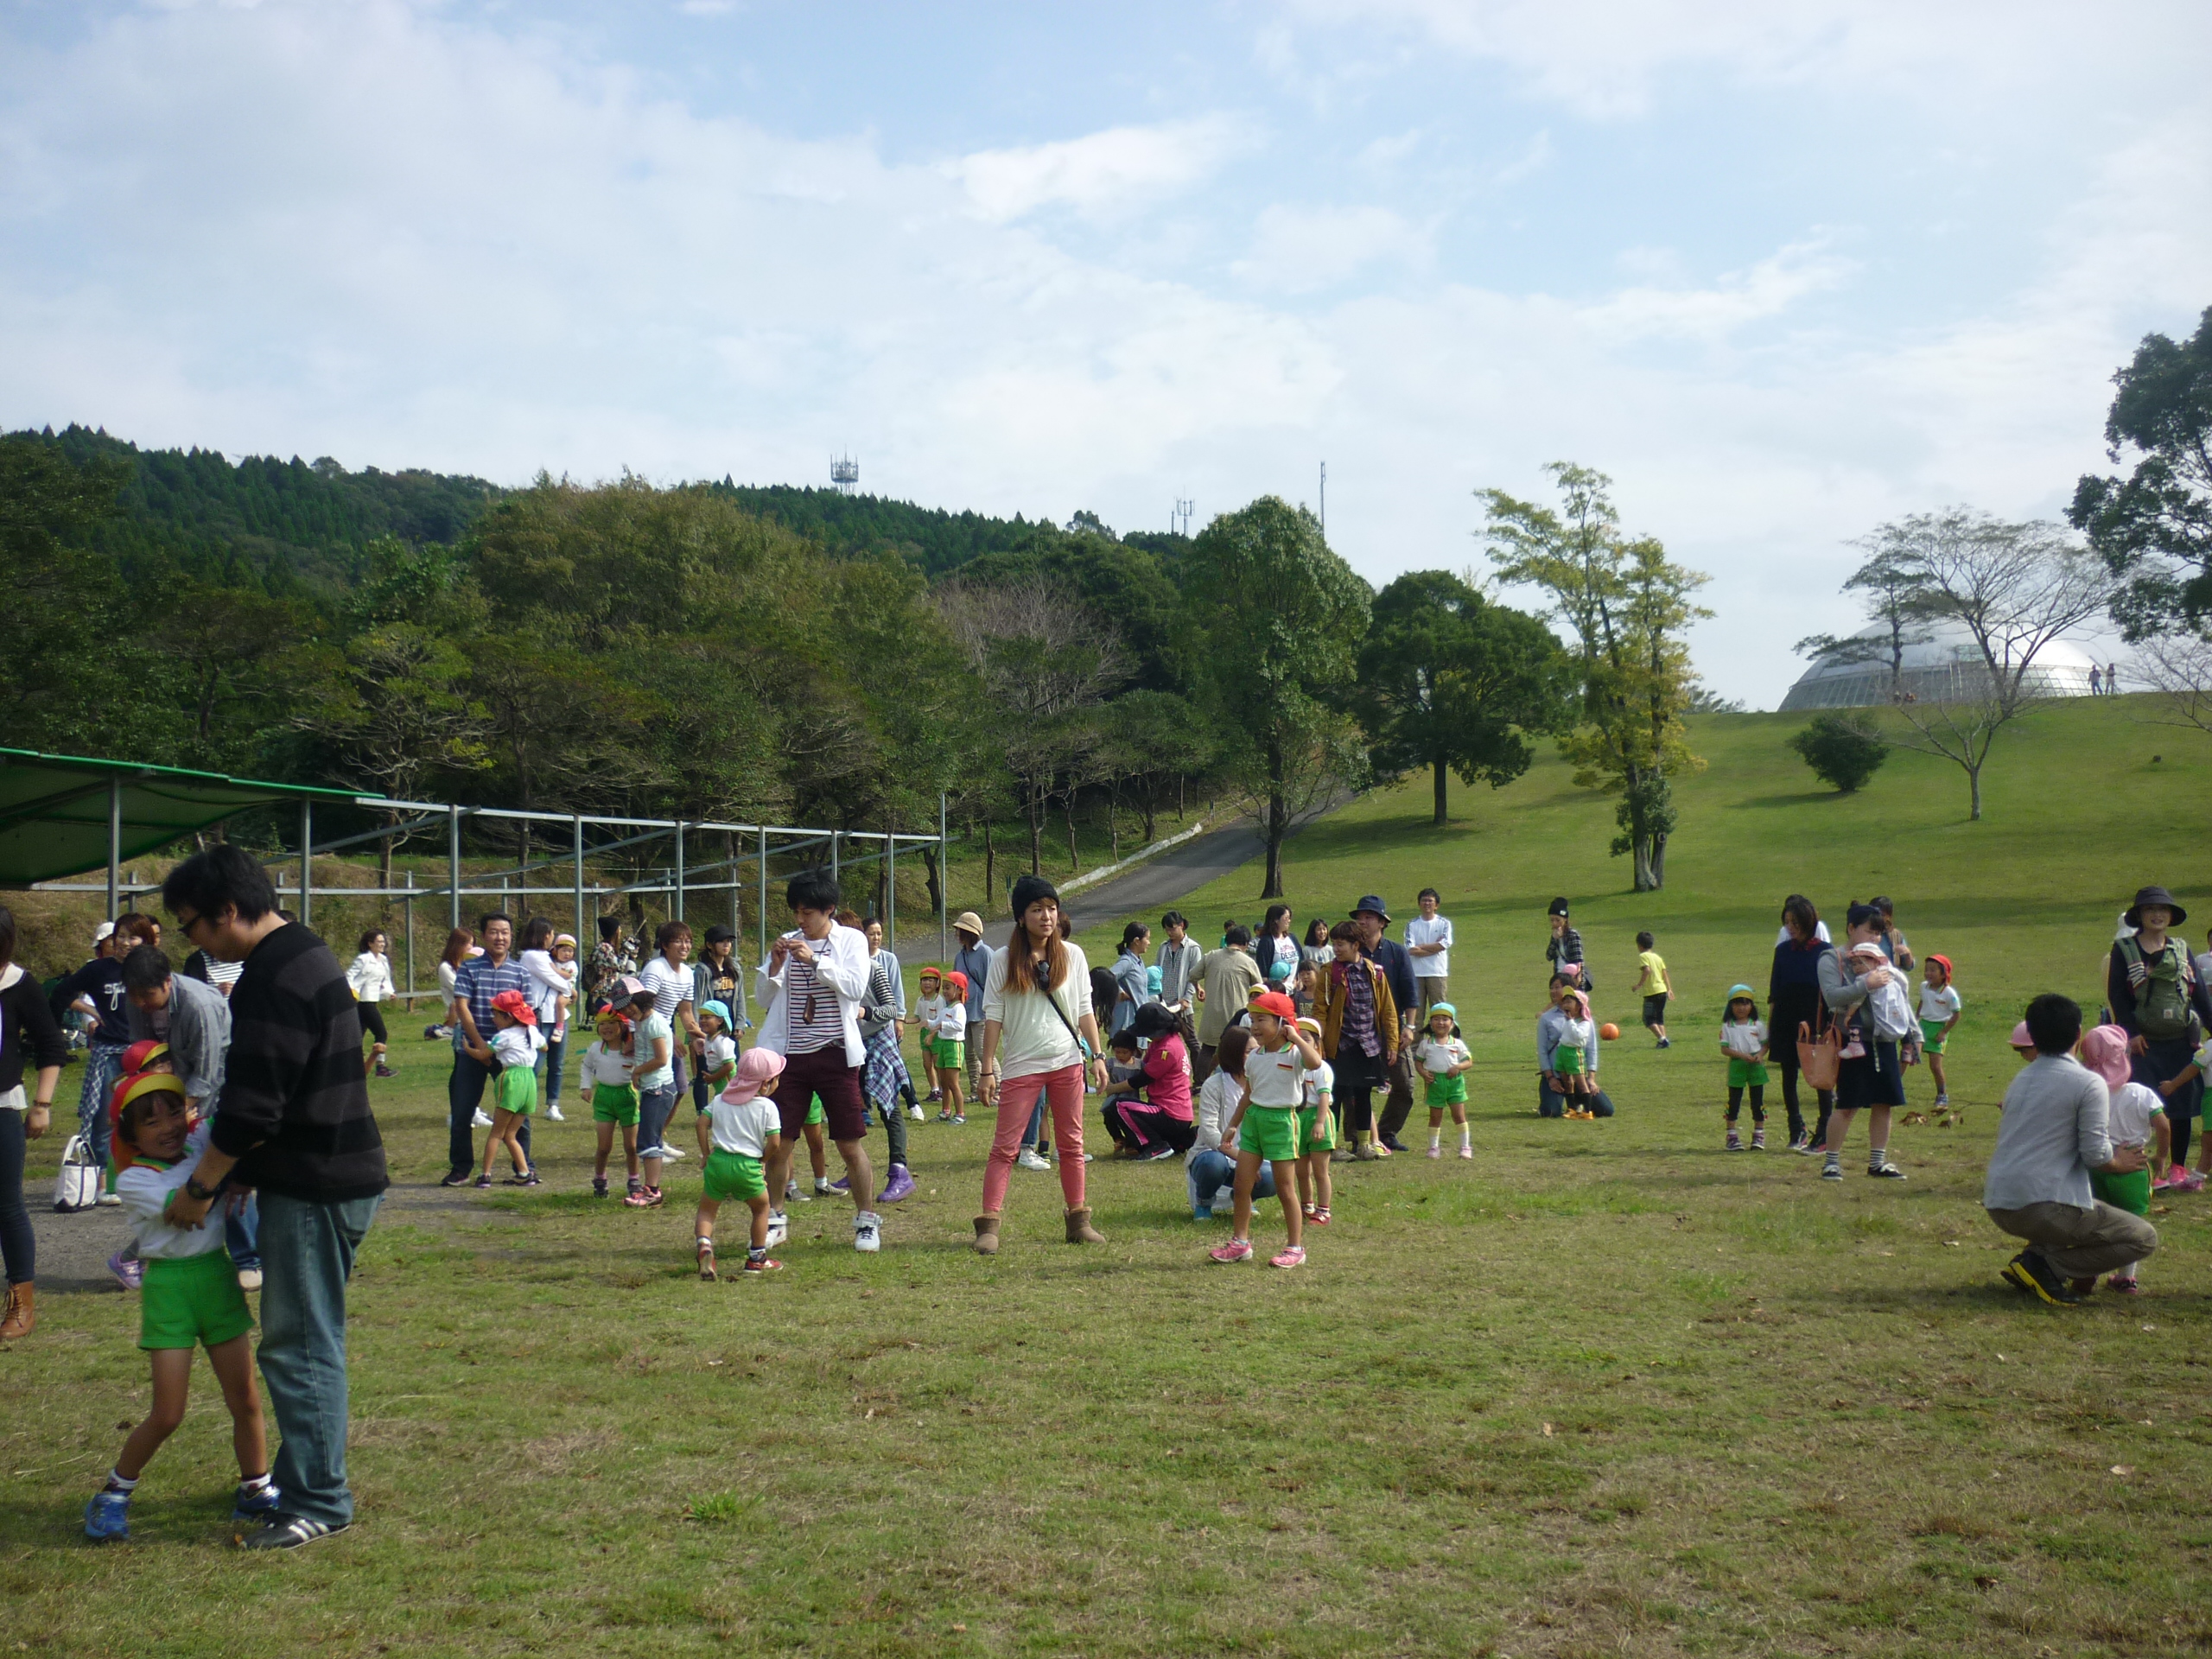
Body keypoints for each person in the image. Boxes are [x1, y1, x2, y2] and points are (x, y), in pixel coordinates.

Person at [160, 842, 388, 1548]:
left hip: (316, 1184)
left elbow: (255, 1105)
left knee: (300, 1344)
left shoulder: (273, 974)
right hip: (327, 1174)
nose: (193, 941)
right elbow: (287, 1090)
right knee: (307, 1337)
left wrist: (202, 1185)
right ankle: (301, 1479)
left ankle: (319, 1501)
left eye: (192, 925)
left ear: (228, 910)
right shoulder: (303, 951)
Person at [82, 1071, 276, 1543]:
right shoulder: (134, 1179)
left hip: (217, 1279)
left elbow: (240, 1119)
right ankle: (113, 1494)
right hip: (169, 1290)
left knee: (246, 1400)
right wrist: (227, 1173)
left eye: (174, 1112)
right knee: (168, 1414)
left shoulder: (199, 1143)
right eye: (151, 1122)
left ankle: (255, 1487)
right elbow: (188, 1207)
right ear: (131, 1135)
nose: (168, 1126)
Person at [1986, 993, 2158, 1305]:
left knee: (2080, 1210)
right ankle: (2047, 1267)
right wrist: (2119, 1163)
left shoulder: (2021, 1079)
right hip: (2042, 1206)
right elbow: (2096, 1155)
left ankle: (2034, 1258)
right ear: (2079, 1033)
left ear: (2032, 1036)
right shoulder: (2088, 1083)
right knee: (2143, 1237)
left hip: (1999, 1201)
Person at [971, 874, 1109, 1255]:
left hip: (1067, 1060)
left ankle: (1079, 1220)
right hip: (1022, 1065)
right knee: (1005, 1147)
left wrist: (1098, 1056)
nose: (1046, 916)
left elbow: (1084, 1010)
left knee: (1072, 1143)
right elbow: (993, 1015)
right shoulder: (1003, 959)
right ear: (1021, 917)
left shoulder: (1073, 955)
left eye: (1051, 908)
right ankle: (989, 1224)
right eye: (1036, 909)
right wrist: (987, 1069)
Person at [754, 871, 884, 1254]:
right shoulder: (788, 942)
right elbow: (763, 999)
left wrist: (814, 961)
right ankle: (775, 1218)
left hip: (836, 1056)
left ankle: (866, 1221)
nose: (800, 920)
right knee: (780, 1144)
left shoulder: (852, 940)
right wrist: (775, 966)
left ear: (829, 910)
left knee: (849, 1143)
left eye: (807, 912)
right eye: (796, 912)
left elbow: (855, 987)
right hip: (789, 1058)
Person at [124, 941, 255, 1292]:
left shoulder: (200, 1004)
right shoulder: (136, 1001)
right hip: (174, 1099)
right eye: (134, 996)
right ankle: (145, 1254)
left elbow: (208, 1075)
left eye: (147, 995)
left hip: (215, 1093)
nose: (140, 1003)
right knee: (178, 1175)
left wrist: (183, 1115)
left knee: (221, 1167)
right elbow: (143, 1055)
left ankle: (249, 1259)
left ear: (167, 982)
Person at [1208, 991, 1324, 1268]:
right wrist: (1233, 1125)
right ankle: (1240, 1243)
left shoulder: (1294, 1053)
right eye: (1252, 1020)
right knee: (1242, 1184)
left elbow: (1315, 1063)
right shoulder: (1255, 1057)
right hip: (1254, 1122)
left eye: (1262, 1020)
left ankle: (1295, 1247)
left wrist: (1296, 1038)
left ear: (1281, 1023)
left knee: (1285, 1188)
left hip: (1282, 1122)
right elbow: (1249, 1094)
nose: (1255, 1026)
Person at [2107, 887, 2212, 1191]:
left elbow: (2199, 995)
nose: (2157, 915)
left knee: (2180, 1107)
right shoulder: (2124, 949)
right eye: (2150, 909)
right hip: (2144, 1043)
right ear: (2140, 915)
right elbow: (2117, 994)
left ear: (2170, 916)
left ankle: (2177, 1167)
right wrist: (2131, 1033)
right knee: (2141, 1104)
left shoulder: (2181, 948)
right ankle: (2139, 1166)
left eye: (2162, 910)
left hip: (2180, 1040)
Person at [0, 905, 65, 1340]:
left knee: (7, 1205)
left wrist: (42, 1103)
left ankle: (21, 1303)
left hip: (2, 1107)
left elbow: (50, 1045)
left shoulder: (21, 985)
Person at [1816, 903, 1910, 1182]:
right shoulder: (1832, 958)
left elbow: (1896, 997)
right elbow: (1832, 997)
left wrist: (1909, 1037)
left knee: (1884, 1103)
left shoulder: (1879, 957)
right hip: (1851, 1042)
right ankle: (1831, 1162)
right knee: (1848, 1105)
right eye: (1870, 932)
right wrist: (1866, 984)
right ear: (1851, 929)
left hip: (1884, 1038)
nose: (1875, 939)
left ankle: (1877, 1162)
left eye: (1879, 934)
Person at [50, 914, 141, 1197]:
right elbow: (61, 993)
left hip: (143, 1053)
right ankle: (101, 1179)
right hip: (109, 1052)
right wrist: (90, 1010)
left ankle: (141, 1176)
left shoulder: (150, 968)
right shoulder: (99, 969)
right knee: (104, 1118)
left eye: (131, 937)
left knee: (144, 1117)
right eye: (120, 936)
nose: (124, 943)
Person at [441, 915, 532, 1186]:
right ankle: (461, 1169)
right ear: (483, 936)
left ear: (511, 936)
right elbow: (462, 1006)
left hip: (509, 1055)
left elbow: (527, 1014)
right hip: (472, 1050)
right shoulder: (468, 968)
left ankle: (524, 1168)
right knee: (462, 1110)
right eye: (493, 932)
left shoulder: (521, 972)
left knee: (518, 1112)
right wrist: (481, 1045)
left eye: (505, 932)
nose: (500, 937)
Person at [2081, 1025, 2165, 1295]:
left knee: (2095, 1220)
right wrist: (2162, 1155)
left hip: (2097, 1164)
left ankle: (2088, 1269)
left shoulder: (2089, 1094)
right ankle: (2126, 1278)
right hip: (2134, 1166)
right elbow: (2163, 1125)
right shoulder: (2142, 1093)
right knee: (2132, 1226)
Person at [1309, 918, 1399, 1160]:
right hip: (1339, 1046)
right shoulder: (1329, 972)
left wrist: (1392, 1043)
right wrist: (1318, 1042)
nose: (1336, 949)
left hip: (1368, 1045)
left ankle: (1364, 1145)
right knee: (1335, 1094)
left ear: (1356, 945)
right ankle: (1331, 1145)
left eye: (1341, 944)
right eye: (1335, 944)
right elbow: (1320, 1010)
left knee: (1363, 1095)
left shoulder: (1375, 972)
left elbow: (1388, 1011)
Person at [695, 1046, 786, 1278]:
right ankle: (757, 1259)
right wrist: (763, 1160)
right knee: (761, 1208)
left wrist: (705, 1153)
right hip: (748, 1166)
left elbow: (701, 1124)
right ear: (765, 1084)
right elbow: (775, 1143)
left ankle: (705, 1245)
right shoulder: (768, 1107)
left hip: (718, 1163)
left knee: (707, 1210)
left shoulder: (720, 1100)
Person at [851, 922, 917, 1206]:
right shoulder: (835, 972)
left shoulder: (874, 968)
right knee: (852, 1106)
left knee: (889, 1106)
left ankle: (900, 1173)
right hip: (851, 1043)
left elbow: (890, 1008)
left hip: (879, 1039)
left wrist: (864, 1012)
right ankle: (855, 1169)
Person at [1770, 895, 1835, 1153]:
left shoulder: (1825, 952)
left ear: (1808, 922)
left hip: (1815, 1019)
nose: (1790, 927)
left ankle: (1824, 1130)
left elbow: (1830, 991)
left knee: (1820, 1076)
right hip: (1786, 1018)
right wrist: (1771, 1027)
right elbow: (1775, 991)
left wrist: (1829, 1025)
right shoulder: (1782, 951)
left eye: (1795, 922)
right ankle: (1796, 1129)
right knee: (1788, 1074)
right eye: (1787, 922)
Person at [1355, 897, 1421, 1152]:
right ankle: (1358, 1137)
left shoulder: (1396, 952)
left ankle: (1386, 1132)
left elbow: (1410, 991)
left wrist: (1410, 1027)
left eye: (1369, 917)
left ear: (1382, 922)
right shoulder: (1352, 951)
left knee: (1405, 1084)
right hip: (1357, 1028)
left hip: (1392, 1026)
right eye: (1360, 917)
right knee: (1356, 1085)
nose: (1363, 922)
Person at [1188, 1028, 1273, 1219]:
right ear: (1234, 1054)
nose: (1256, 1055)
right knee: (1213, 1164)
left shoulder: (1263, 1084)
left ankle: (1243, 1198)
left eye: (1258, 1049)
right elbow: (1208, 1130)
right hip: (1215, 1153)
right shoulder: (1214, 1085)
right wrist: (1239, 1156)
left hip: (1251, 1154)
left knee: (1272, 1178)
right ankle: (1204, 1202)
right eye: (1249, 1051)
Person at [1098, 1001, 1195, 1159]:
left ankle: (1155, 1146)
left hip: (1169, 1113)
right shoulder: (1165, 1041)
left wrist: (1112, 1088)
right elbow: (1143, 1066)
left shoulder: (1167, 1050)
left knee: (1119, 1106)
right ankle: (1180, 1140)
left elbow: (1142, 1079)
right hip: (1177, 1113)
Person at [613, 975, 677, 1209]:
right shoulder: (641, 1022)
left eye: (630, 1005)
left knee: (649, 1141)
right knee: (649, 1139)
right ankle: (650, 1188)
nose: (627, 1011)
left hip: (659, 1088)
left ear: (641, 1000)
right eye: (623, 1009)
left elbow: (661, 1059)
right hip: (652, 1088)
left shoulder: (654, 1023)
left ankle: (652, 1191)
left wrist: (637, 1071)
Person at [469, 989, 542, 1188]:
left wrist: (466, 1047)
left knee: (496, 1133)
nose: (493, 1019)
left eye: (495, 1014)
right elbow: (544, 1047)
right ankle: (525, 1172)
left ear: (508, 1017)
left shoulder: (504, 1036)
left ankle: (485, 1175)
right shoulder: (532, 1031)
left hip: (511, 1078)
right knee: (511, 1134)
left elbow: (483, 1054)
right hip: (530, 1081)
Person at [640, 920, 699, 1144]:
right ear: (665, 945)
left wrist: (698, 1036)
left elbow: (686, 1011)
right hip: (649, 1033)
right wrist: (670, 1036)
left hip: (666, 1032)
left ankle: (658, 1138)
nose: (685, 946)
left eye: (688, 941)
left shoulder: (687, 973)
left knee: (680, 1088)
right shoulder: (655, 968)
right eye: (678, 941)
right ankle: (649, 1143)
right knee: (657, 1090)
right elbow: (645, 1007)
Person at [517, 918, 575, 1122]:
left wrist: (568, 989)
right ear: (543, 935)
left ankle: (553, 1104)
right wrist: (570, 990)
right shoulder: (532, 956)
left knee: (557, 1065)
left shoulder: (546, 956)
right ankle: (523, 1102)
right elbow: (559, 982)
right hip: (541, 1016)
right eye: (550, 934)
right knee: (535, 1063)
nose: (552, 937)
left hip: (559, 1015)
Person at [580, 1007, 640, 1199]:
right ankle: (600, 1179)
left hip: (627, 1097)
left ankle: (634, 1180)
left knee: (631, 1146)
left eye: (612, 1023)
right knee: (604, 1146)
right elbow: (586, 1066)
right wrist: (586, 1087)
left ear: (623, 1026)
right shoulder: (596, 1049)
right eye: (602, 1024)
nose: (606, 1028)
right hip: (604, 1098)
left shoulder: (632, 1050)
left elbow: (644, 1066)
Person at [1194, 924, 1262, 1080]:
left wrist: (1198, 988)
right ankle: (1236, 1079)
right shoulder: (1247, 961)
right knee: (1237, 1049)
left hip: (1212, 1013)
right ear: (1245, 944)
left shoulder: (1210, 956)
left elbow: (1192, 975)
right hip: (1236, 1015)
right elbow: (1260, 987)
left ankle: (1199, 1081)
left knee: (1208, 1049)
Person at [1536, 974, 1606, 1119]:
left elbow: (1591, 1048)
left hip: (1577, 1073)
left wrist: (1591, 1078)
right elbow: (1542, 1051)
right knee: (1549, 1112)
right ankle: (1566, 1103)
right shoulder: (1546, 1018)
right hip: (1556, 1075)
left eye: (1557, 987)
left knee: (1606, 1109)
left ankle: (1579, 1103)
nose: (1553, 991)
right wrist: (1550, 1078)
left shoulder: (1585, 1019)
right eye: (1551, 988)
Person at [1412, 1001, 1472, 1159]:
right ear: (1430, 1023)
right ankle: (1433, 1148)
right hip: (1435, 1083)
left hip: (1454, 1083)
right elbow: (1418, 1062)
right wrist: (1424, 1074)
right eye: (1436, 1019)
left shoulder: (1457, 1044)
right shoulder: (1426, 1044)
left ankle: (1465, 1147)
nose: (1441, 1023)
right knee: (1435, 1117)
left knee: (1459, 1116)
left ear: (1452, 1024)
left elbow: (1468, 1061)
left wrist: (1458, 1067)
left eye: (1445, 1019)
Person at [1291, 1016, 1336, 1224]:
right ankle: (1306, 1204)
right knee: (1301, 1170)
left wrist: (1319, 1122)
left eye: (1306, 1039)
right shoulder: (1294, 1066)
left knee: (1320, 1170)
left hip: (1318, 1116)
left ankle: (1324, 1209)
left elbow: (1324, 1096)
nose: (1301, 1044)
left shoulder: (1321, 1068)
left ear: (1317, 1044)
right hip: (1298, 1118)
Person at [1719, 985, 1769, 1151]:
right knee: (1734, 1101)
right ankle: (1732, 1135)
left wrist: (1760, 1055)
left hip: (1755, 1066)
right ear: (1731, 1006)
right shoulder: (1728, 1026)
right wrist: (1741, 1055)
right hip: (1737, 1066)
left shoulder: (1758, 1025)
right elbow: (1724, 1049)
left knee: (1757, 1101)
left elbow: (1765, 1044)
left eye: (1746, 1003)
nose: (1742, 1008)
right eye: (1737, 1004)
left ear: (1752, 1006)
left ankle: (1759, 1134)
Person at [690, 1000, 740, 1162]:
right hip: (720, 1086)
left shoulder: (722, 1042)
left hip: (728, 1085)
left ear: (720, 1020)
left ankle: (724, 1150)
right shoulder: (711, 1039)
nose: (703, 1021)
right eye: (701, 1017)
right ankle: (718, 1149)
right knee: (722, 1120)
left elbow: (729, 1066)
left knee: (724, 1120)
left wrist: (712, 1078)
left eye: (708, 1017)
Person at [952, 912, 994, 1105]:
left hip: (981, 1009)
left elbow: (993, 983)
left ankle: (997, 1088)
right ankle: (976, 1089)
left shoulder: (985, 953)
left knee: (982, 1051)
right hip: (963, 1010)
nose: (956, 934)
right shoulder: (960, 955)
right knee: (968, 1052)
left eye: (959, 930)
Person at [345, 931, 397, 1079]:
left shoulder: (383, 960)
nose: (382, 944)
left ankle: (351, 1067)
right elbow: (349, 976)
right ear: (370, 944)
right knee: (381, 1033)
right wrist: (352, 992)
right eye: (379, 941)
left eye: (383, 941)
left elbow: (385, 981)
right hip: (362, 1002)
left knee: (357, 1036)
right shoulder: (363, 959)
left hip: (373, 1000)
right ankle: (381, 1067)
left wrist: (389, 993)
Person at [1918, 954, 1961, 1109]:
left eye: (1933, 970)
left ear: (1943, 974)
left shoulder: (1949, 993)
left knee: (1935, 1066)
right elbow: (1922, 1002)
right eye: (1926, 970)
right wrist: (1915, 1020)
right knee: (1907, 1057)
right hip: (1922, 1026)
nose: (1928, 973)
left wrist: (1944, 1032)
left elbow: (1956, 1014)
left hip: (1938, 1028)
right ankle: (1892, 1090)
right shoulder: (1924, 986)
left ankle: (1942, 1095)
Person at [1404, 888, 1453, 1015]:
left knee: (1439, 1011)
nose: (1427, 903)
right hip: (1416, 973)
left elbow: (1444, 944)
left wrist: (1422, 947)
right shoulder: (1412, 925)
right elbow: (1411, 949)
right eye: (1424, 900)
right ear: (1419, 904)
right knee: (1416, 1013)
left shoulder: (1444, 923)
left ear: (1436, 905)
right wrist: (1434, 948)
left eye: (1430, 901)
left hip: (1437, 972)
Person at [424, 925, 474, 1043]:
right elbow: (460, 988)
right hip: (459, 1011)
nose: (471, 948)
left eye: (472, 944)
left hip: (471, 1009)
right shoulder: (446, 967)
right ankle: (449, 1030)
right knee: (456, 1004)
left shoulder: (468, 965)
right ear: (458, 945)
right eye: (469, 944)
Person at [1553, 990, 1597, 1115]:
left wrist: (1570, 1021)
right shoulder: (1567, 1020)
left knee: (1581, 1082)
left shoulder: (1585, 1023)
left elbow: (1578, 1035)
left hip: (1574, 1053)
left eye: (1569, 1002)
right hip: (1563, 1052)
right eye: (1565, 1002)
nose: (1566, 1005)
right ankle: (1571, 1108)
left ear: (1579, 1006)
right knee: (1567, 1082)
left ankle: (1587, 1111)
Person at [933, 970, 969, 1122]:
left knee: (953, 1083)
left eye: (948, 988)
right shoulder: (946, 1008)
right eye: (944, 988)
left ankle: (960, 1114)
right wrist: (927, 1023)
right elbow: (936, 1023)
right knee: (944, 1083)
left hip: (954, 1046)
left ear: (959, 990)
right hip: (943, 1045)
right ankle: (945, 1111)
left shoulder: (959, 1008)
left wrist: (942, 1025)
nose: (945, 991)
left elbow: (959, 1026)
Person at [1109, 922, 1151, 1037]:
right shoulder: (1126, 962)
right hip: (1127, 1022)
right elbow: (1107, 977)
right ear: (1137, 941)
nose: (1149, 943)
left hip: (1138, 1021)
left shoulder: (1138, 961)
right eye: (1147, 939)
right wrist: (1120, 992)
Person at [1631, 931, 1671, 1048]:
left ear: (1640, 946)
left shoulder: (1643, 956)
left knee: (1648, 1019)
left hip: (1652, 992)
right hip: (1662, 990)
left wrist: (1639, 985)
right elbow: (1664, 973)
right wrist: (1669, 989)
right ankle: (1663, 1041)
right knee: (1659, 1018)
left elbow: (1647, 970)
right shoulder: (1657, 958)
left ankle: (1662, 1039)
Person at [1252, 905, 1300, 994]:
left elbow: (1301, 961)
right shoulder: (1267, 942)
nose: (1289, 921)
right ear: (1276, 920)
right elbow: (1263, 974)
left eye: (1289, 918)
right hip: (1276, 993)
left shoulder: (1292, 938)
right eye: (1286, 918)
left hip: (1294, 992)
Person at [1545, 898, 1589, 993]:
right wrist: (1554, 940)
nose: (1554, 923)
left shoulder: (1572, 935)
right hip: (1558, 979)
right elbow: (1549, 956)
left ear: (1565, 919)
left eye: (1558, 920)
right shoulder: (1555, 936)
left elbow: (1578, 961)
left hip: (1572, 979)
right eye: (1552, 920)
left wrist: (1578, 981)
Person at [1869, 897, 1916, 971]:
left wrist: (1908, 954)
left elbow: (1908, 967)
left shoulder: (1896, 935)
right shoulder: (1864, 933)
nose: (1878, 918)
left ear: (1889, 916)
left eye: (1882, 915)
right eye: (1875, 914)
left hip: (1893, 976)